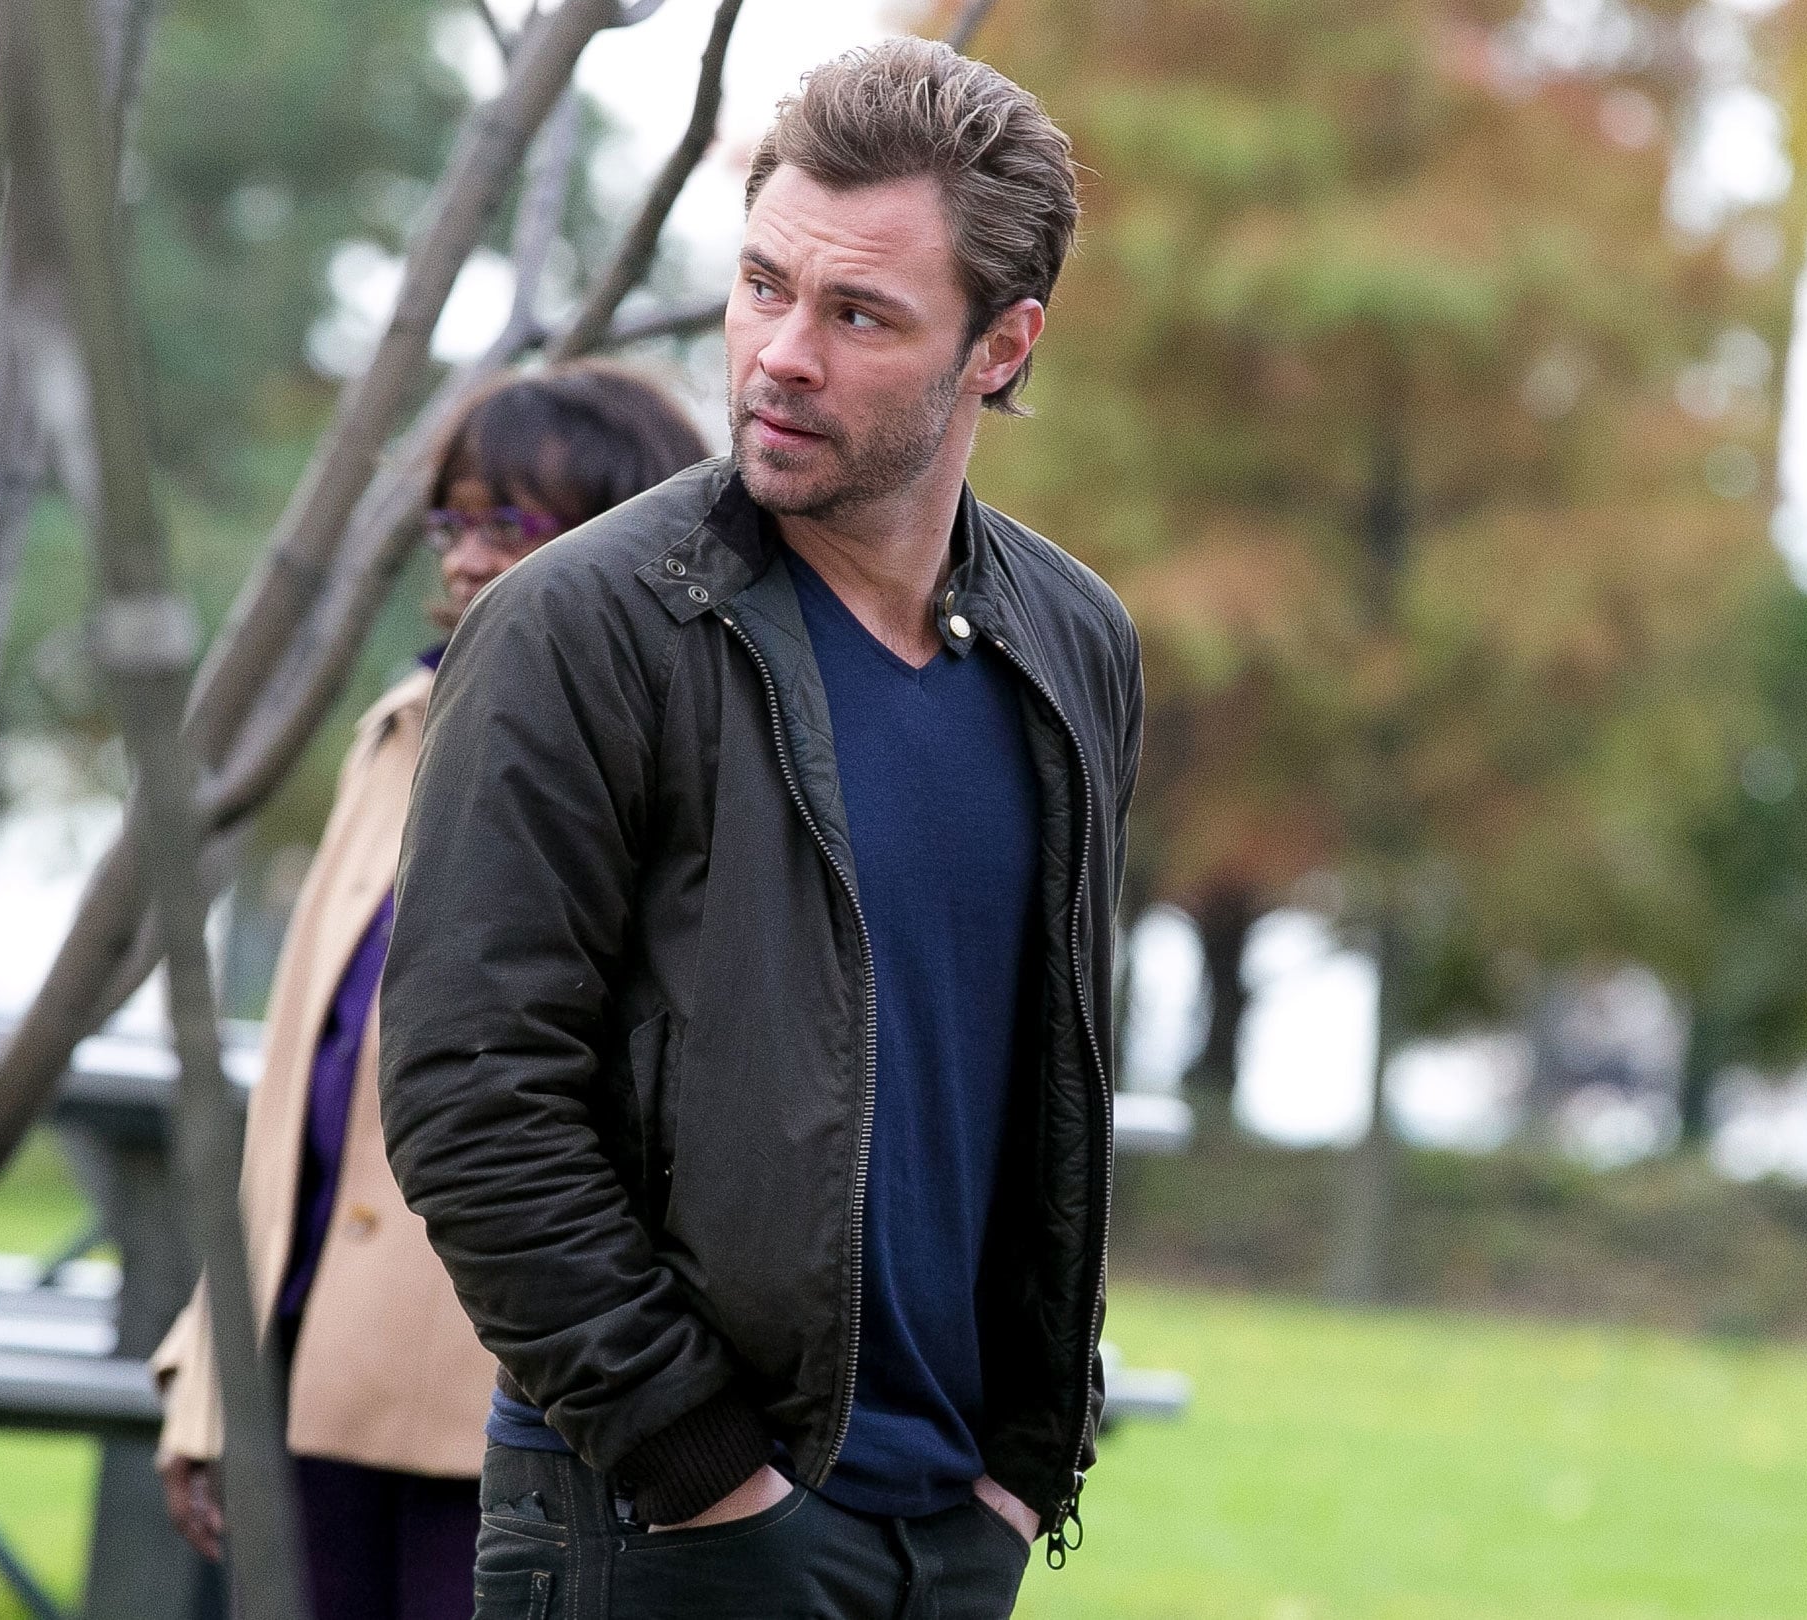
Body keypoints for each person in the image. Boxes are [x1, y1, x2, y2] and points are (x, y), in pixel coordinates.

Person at [381, 40, 1141, 1619]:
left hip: (955, 1533)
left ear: (1001, 345)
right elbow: (472, 1093)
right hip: (663, 1529)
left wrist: (1022, 1469)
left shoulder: (1072, 645)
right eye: (761, 286)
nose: (780, 355)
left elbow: (1050, 1077)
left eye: (859, 315)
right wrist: (708, 1474)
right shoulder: (582, 628)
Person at [149, 364, 708, 1620]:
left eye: (511, 522)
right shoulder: (399, 726)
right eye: (451, 521)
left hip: (530, 1403)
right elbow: (300, 1085)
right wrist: (213, 1378)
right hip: (307, 1385)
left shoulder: (675, 758)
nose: (465, 557)